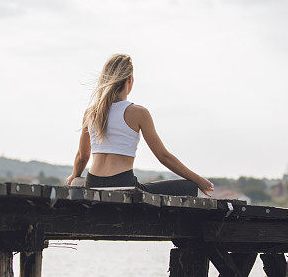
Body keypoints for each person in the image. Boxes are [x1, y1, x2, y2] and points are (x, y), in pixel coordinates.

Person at [65, 53, 214, 197]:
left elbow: (82, 157)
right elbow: (163, 156)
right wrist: (198, 180)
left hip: (94, 182)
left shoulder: (91, 112)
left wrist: (74, 176)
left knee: (78, 181)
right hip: (123, 184)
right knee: (189, 187)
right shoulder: (138, 112)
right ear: (130, 80)